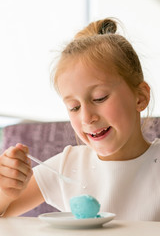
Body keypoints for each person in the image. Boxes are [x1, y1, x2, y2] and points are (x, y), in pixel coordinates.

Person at [0, 17, 160, 221]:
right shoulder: (67, 166)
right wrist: (5, 189)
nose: (86, 117)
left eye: (99, 98)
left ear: (141, 97)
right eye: (74, 107)